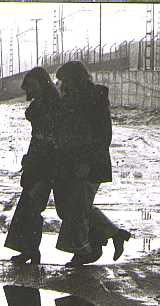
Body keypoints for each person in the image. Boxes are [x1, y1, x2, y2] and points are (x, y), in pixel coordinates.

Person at [53, 61, 130, 266]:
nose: (63, 84)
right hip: (70, 162)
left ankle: (85, 251)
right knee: (72, 208)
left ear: (76, 78)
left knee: (76, 209)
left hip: (89, 163)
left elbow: (103, 135)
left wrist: (87, 162)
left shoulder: (95, 99)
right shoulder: (70, 98)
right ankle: (114, 234)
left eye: (66, 80)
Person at [4, 67, 60, 265]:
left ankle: (30, 250)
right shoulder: (48, 102)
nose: (30, 90)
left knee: (32, 206)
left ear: (41, 82)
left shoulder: (51, 104)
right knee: (30, 206)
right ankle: (29, 249)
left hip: (45, 162)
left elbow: (46, 138)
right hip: (39, 159)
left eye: (32, 85)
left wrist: (34, 159)